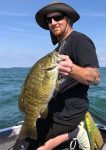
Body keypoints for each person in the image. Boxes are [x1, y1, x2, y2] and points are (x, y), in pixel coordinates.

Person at [14, 2, 100, 150]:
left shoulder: (80, 40)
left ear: (68, 19)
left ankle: (73, 132)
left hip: (68, 114)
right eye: (49, 20)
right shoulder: (58, 48)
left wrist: (72, 68)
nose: (53, 23)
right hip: (53, 110)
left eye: (57, 17)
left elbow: (95, 77)